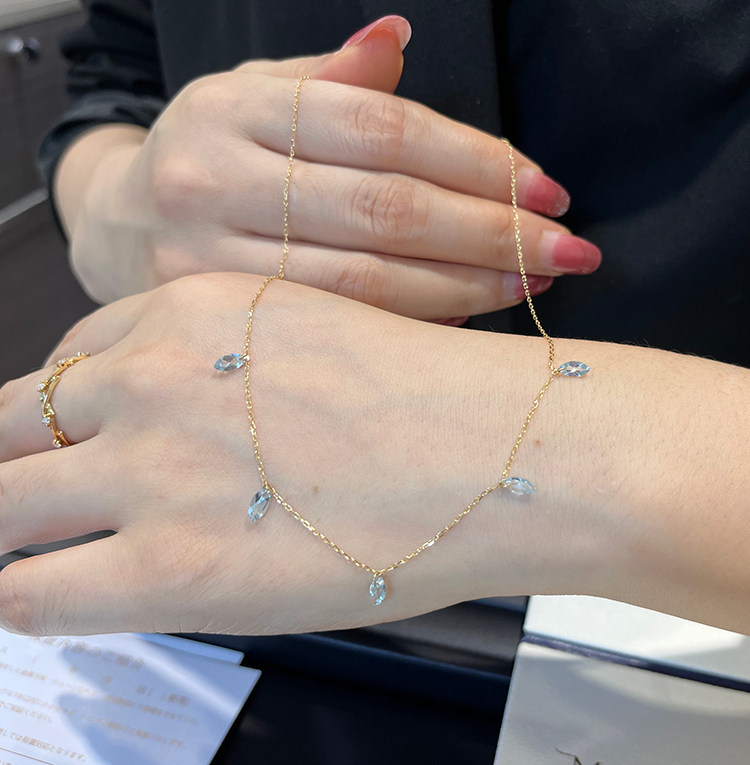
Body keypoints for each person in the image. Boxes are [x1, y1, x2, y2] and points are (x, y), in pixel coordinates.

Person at [0, 4, 747, 638]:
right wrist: (114, 206)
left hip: (687, 633)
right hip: (215, 564)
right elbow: (113, 76)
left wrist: (566, 447)